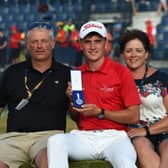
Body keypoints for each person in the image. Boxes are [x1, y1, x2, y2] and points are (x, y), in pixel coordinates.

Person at [47, 21, 141, 168]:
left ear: (105, 44)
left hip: (115, 137)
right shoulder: (77, 74)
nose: (92, 46)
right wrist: (72, 101)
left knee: (125, 162)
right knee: (55, 141)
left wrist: (101, 112)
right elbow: (75, 116)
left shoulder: (121, 72)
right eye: (88, 42)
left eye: (97, 41)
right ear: (80, 45)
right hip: (85, 137)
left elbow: (134, 115)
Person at [0, 21, 71, 168]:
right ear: (27, 45)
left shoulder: (67, 74)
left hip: (49, 137)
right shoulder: (12, 72)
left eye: (44, 41)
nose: (39, 46)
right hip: (13, 139)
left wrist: (72, 100)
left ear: (52, 43)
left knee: (48, 160)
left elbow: (77, 115)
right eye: (34, 41)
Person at [119, 29, 168, 168]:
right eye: (129, 51)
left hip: (163, 129)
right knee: (141, 146)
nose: (133, 55)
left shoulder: (162, 78)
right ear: (123, 54)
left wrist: (146, 130)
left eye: (138, 50)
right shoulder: (117, 80)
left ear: (146, 54)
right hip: (135, 134)